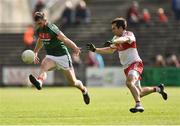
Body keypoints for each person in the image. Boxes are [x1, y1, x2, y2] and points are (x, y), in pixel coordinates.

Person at [86, 17, 167, 113]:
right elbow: (110, 50)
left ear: (121, 28)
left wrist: (114, 42)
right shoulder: (115, 38)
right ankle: (158, 89)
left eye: (114, 28)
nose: (112, 30)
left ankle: (138, 105)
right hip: (127, 67)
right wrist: (96, 50)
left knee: (129, 83)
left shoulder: (129, 34)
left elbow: (124, 39)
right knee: (139, 92)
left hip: (135, 63)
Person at [29, 12, 90, 105]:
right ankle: (39, 82)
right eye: (37, 24)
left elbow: (64, 39)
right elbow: (40, 39)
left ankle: (84, 90)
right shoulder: (39, 30)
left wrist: (74, 47)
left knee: (73, 82)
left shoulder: (52, 28)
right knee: (44, 66)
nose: (39, 25)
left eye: (40, 23)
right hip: (51, 56)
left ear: (45, 20)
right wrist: (36, 52)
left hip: (62, 56)